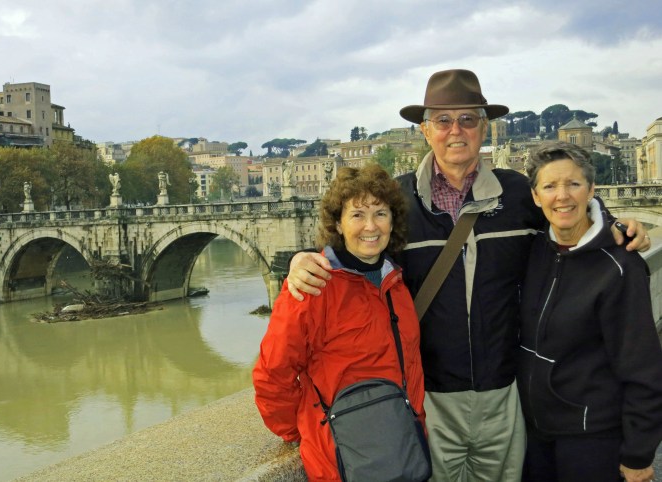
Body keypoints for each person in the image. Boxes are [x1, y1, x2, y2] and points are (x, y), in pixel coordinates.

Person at [286, 69, 651, 481]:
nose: (455, 130)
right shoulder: (395, 200)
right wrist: (304, 259)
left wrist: (616, 224)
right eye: (442, 120)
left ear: (485, 127)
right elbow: (353, 247)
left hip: (503, 394)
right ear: (425, 131)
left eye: (468, 119)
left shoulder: (518, 194)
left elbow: (568, 212)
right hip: (430, 398)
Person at [253, 164, 426, 481]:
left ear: (393, 221)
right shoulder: (311, 287)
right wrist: (308, 429)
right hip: (337, 463)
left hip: (403, 452)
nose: (370, 226)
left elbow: (410, 368)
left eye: (380, 214)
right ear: (338, 223)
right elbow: (272, 374)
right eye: (357, 215)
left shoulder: (396, 283)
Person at [518, 141, 662, 482]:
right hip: (535, 433)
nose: (562, 196)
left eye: (573, 184)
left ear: (592, 191)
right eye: (550, 186)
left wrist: (638, 455)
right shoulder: (533, 248)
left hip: (593, 438)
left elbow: (644, 369)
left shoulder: (619, 266)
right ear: (536, 197)